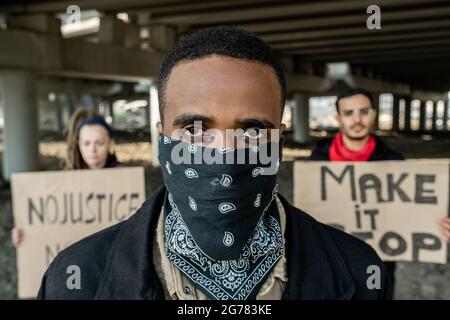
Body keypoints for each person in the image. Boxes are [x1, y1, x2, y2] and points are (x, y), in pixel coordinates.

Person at [37, 26, 392, 300]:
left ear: (279, 140)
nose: (224, 152)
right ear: (162, 137)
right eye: (194, 129)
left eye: (252, 130)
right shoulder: (76, 277)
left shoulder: (358, 270)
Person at [310, 87, 450, 292]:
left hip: (378, 264)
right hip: (331, 260)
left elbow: (408, 209)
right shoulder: (316, 163)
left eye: (364, 111)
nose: (357, 119)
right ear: (338, 118)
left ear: (373, 115)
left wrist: (433, 223)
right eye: (349, 113)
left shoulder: (394, 161)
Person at [11, 108, 122, 247]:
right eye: (87, 143)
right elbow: (52, 223)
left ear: (110, 144)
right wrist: (26, 235)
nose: (92, 149)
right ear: (79, 144)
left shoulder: (125, 177)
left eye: (99, 143)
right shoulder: (65, 183)